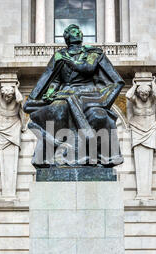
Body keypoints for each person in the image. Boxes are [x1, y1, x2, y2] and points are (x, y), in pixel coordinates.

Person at [24, 24, 125, 167]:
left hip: (90, 95)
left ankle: (95, 156)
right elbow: (55, 80)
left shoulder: (93, 53)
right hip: (66, 92)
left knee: (99, 115)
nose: (77, 32)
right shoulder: (59, 56)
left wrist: (70, 62)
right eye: (73, 31)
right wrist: (50, 93)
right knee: (57, 109)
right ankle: (56, 155)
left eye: (79, 30)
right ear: (66, 37)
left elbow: (89, 68)